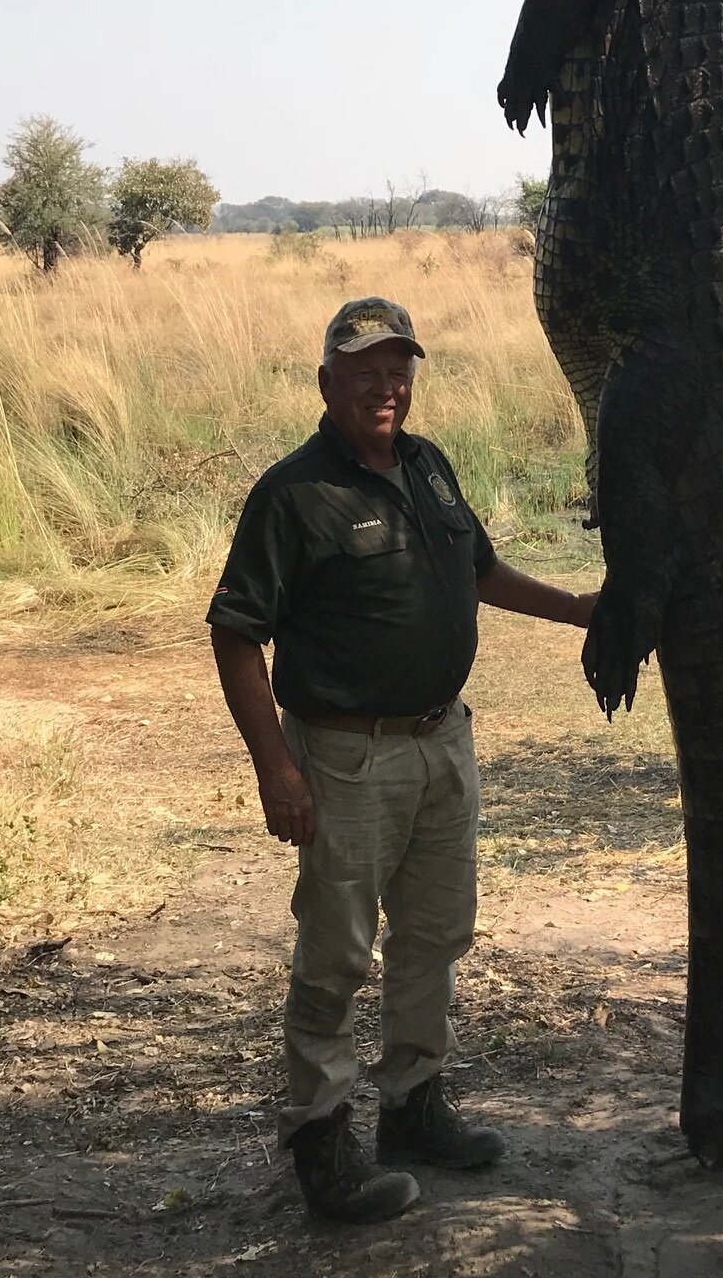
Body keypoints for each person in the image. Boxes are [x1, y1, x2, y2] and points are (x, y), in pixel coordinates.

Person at [208, 297, 596, 1225]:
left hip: (442, 742)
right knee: (337, 952)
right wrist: (276, 769)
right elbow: (234, 637)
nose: (387, 385)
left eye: (399, 367)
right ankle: (321, 1139)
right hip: (345, 758)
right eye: (367, 368)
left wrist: (582, 611)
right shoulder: (293, 494)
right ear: (327, 383)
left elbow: (480, 573)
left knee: (435, 935)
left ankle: (414, 1106)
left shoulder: (428, 466)